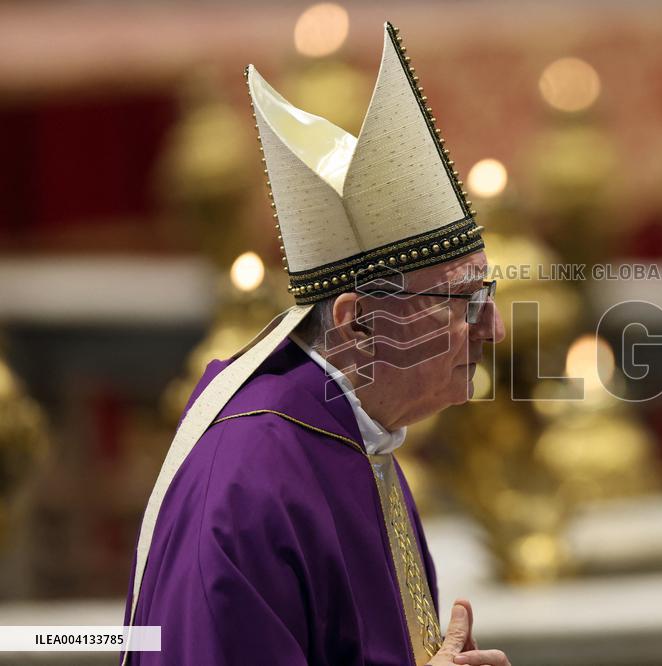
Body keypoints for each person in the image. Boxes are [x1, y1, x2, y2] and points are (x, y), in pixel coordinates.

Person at [122, 21, 510, 666]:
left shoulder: (357, 441)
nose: (493, 328)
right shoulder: (248, 483)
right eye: (463, 302)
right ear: (358, 323)